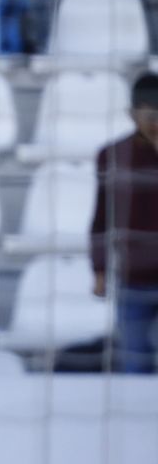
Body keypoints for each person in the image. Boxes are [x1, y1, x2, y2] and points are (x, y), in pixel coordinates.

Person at [91, 73, 158, 373]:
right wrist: (99, 269)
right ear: (132, 114)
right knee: (134, 362)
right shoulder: (113, 155)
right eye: (149, 115)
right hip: (133, 278)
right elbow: (101, 217)